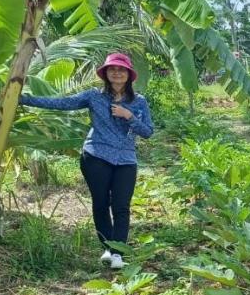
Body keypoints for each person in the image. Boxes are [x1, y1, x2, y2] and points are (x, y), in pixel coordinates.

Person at [18, 52, 153, 270]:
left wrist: (129, 116)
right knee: (100, 203)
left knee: (121, 206)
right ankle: (108, 248)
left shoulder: (139, 102)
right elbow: (62, 103)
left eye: (121, 70)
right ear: (106, 74)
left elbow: (147, 132)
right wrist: (24, 99)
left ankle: (118, 252)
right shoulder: (94, 96)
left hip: (126, 159)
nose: (117, 73)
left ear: (129, 75)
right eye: (112, 69)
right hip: (96, 155)